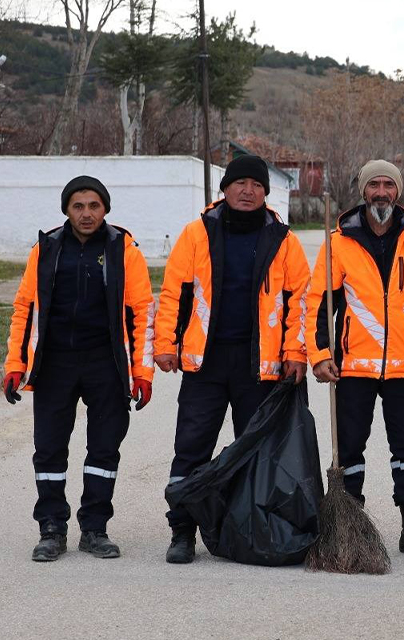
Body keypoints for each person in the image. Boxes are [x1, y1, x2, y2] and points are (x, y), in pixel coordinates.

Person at [154, 154, 311, 564]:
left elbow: (301, 303)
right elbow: (174, 294)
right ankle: (182, 530)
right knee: (191, 448)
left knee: (253, 451)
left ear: (266, 192)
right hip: (205, 365)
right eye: (239, 183)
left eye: (257, 185)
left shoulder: (284, 239)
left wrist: (295, 353)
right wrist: (165, 344)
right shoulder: (197, 234)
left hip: (259, 367)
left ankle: (245, 527)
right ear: (224, 189)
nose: (248, 190)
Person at [4, 176, 154, 561]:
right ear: (66, 210)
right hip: (56, 364)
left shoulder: (124, 249)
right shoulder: (48, 248)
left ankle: (94, 528)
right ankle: (52, 529)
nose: (86, 214)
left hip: (107, 364)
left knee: (104, 449)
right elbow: (26, 308)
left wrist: (142, 372)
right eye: (78, 206)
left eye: (94, 206)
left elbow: (140, 313)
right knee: (49, 449)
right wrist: (16, 364)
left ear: (105, 209)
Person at [306, 160, 404, 560]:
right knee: (348, 448)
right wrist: (318, 354)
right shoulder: (340, 241)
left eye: (388, 185)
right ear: (363, 191)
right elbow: (318, 302)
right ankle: (350, 527)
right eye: (374, 185)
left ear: (397, 192)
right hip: (353, 366)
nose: (381, 192)